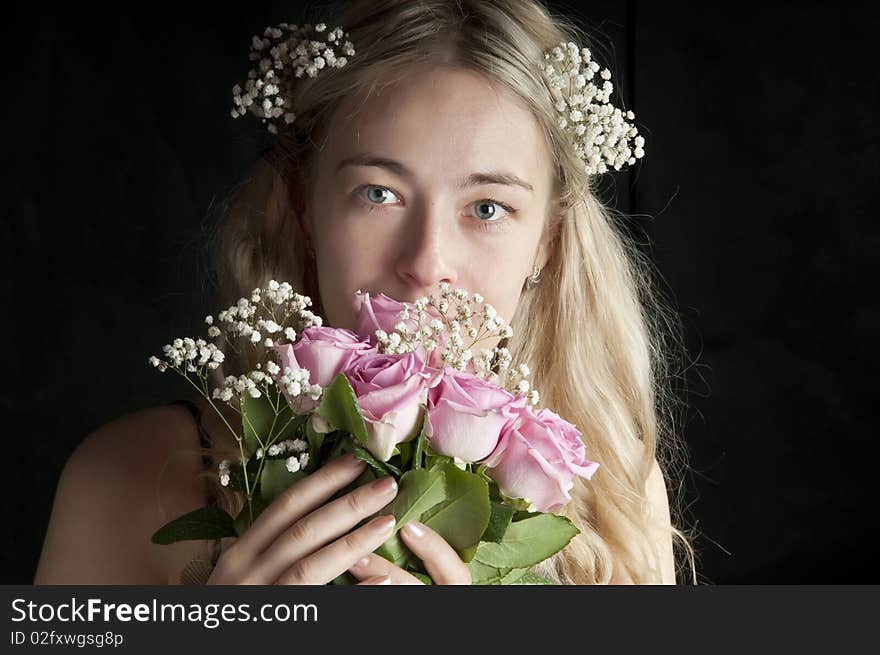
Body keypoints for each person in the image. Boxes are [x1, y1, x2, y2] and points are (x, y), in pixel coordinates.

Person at [34, 0, 698, 585]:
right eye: (377, 194)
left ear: (546, 241)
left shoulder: (615, 492)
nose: (426, 262)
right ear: (305, 209)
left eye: (488, 207)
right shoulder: (125, 478)